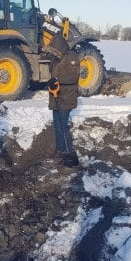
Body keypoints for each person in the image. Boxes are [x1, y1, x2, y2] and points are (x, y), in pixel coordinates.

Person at [46, 34, 81, 168]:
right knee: (57, 125)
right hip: (56, 97)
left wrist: (57, 81)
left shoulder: (71, 58)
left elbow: (72, 77)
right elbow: (53, 73)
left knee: (62, 126)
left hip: (67, 97)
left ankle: (67, 151)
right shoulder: (57, 58)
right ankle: (60, 150)